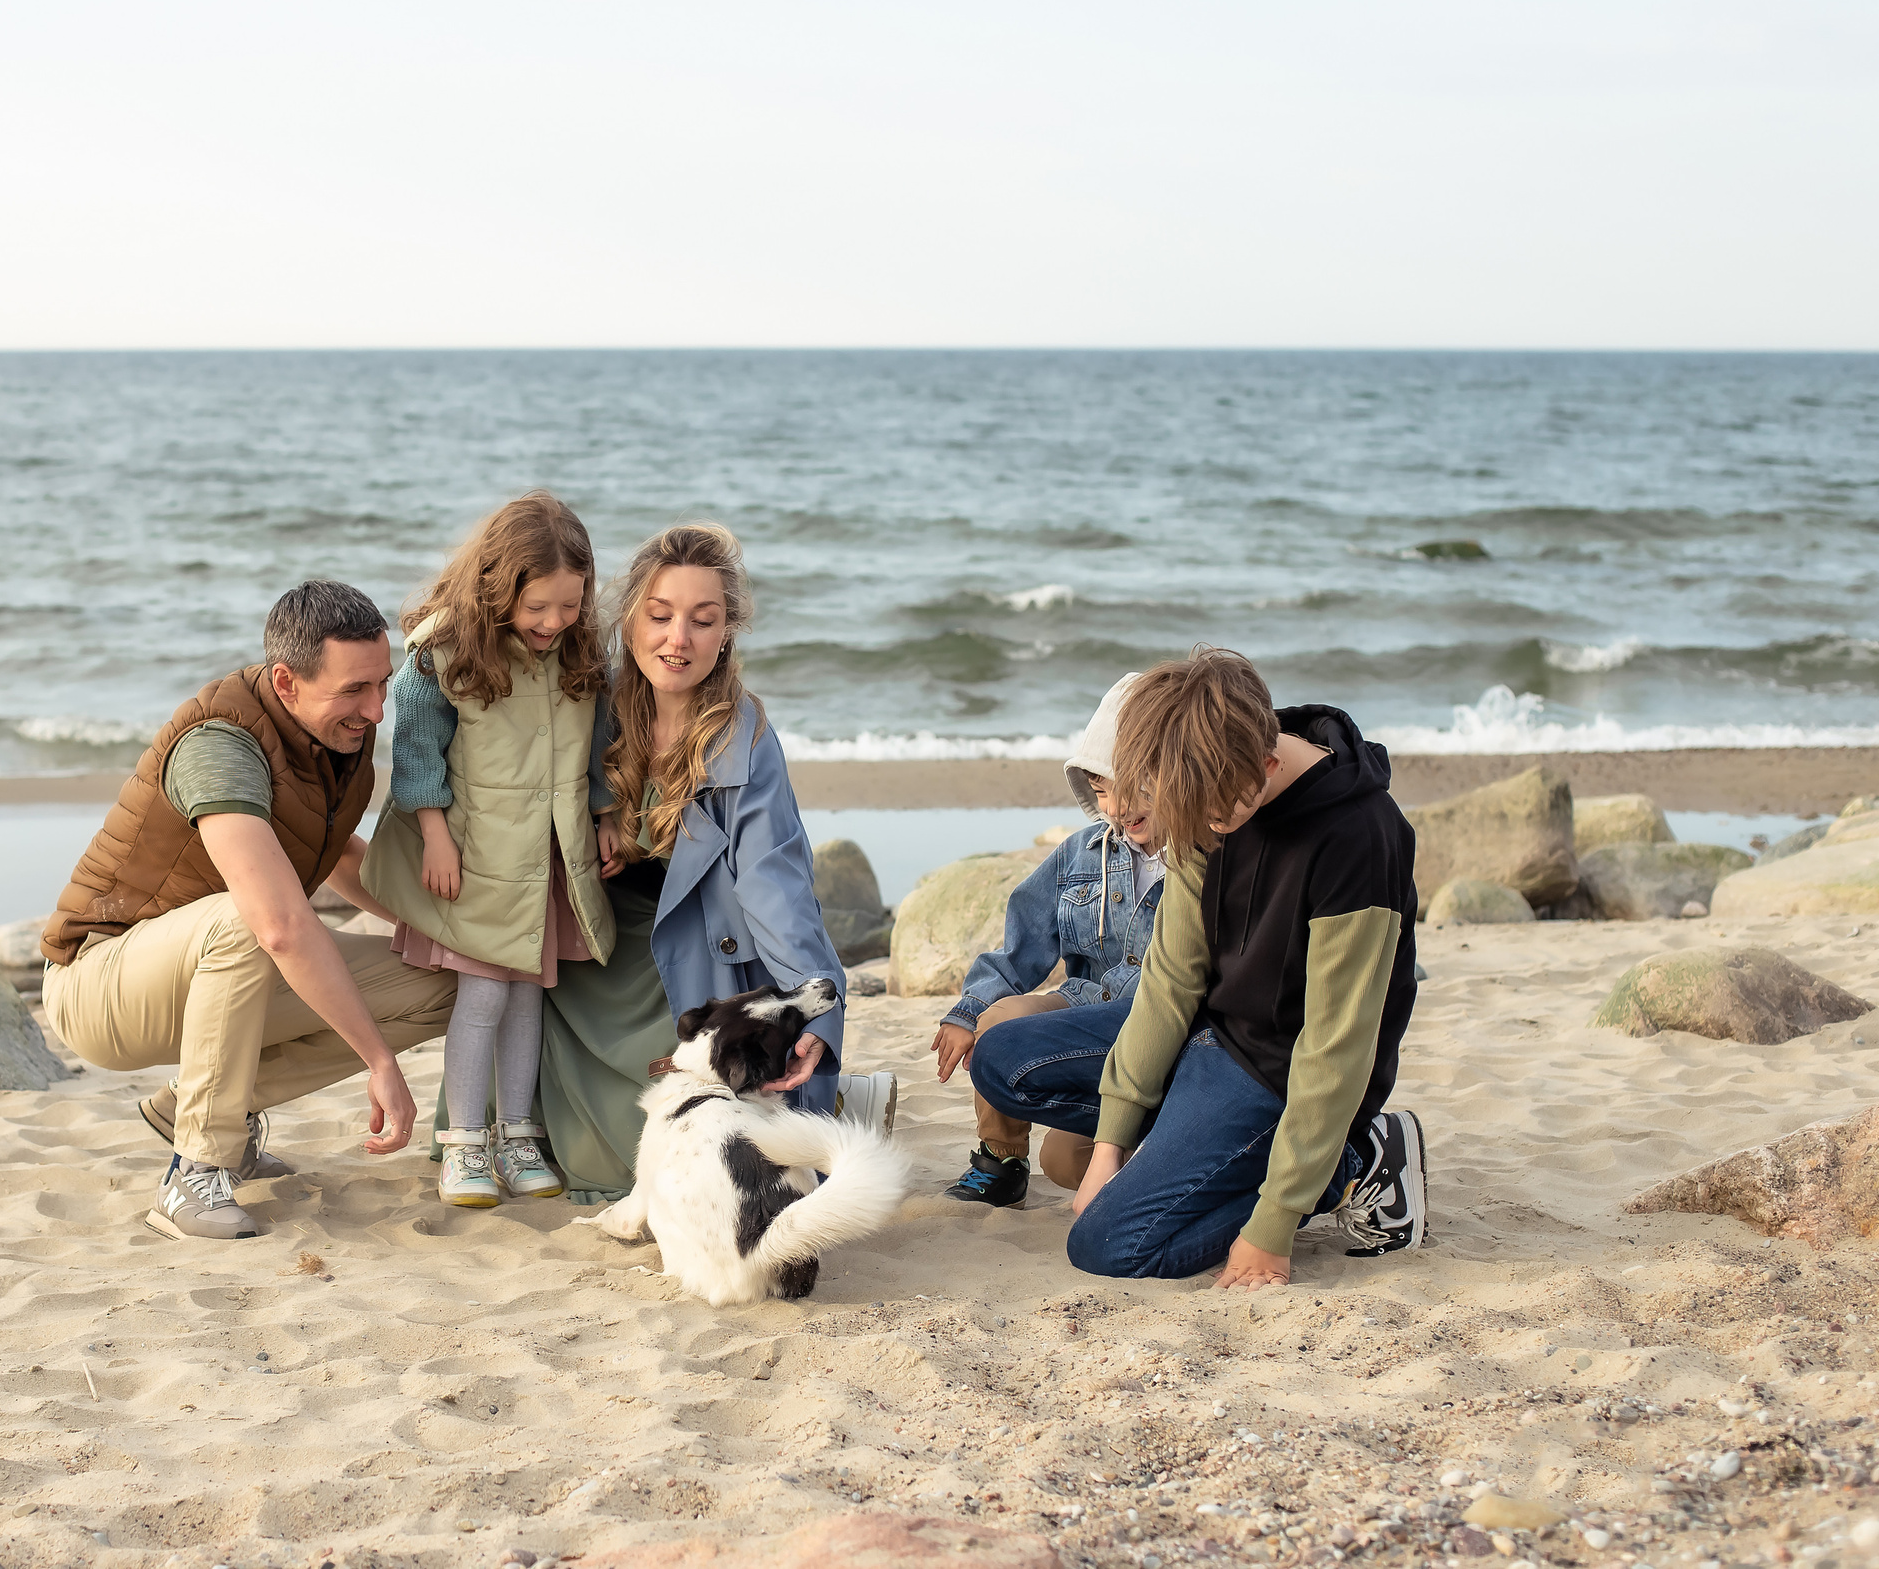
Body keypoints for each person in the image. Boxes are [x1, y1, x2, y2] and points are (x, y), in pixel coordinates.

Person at [969, 645, 1426, 1286]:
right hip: (1204, 1032)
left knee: (1108, 1248)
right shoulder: (1203, 773)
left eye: (1213, 819)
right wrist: (1109, 1149)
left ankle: (1349, 1165)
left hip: (1274, 1069)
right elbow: (1172, 979)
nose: (1199, 832)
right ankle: (1197, 1150)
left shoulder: (1359, 837)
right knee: (1000, 1058)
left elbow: (1336, 1045)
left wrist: (1274, 1226)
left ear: (1266, 766)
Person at [39, 580, 457, 1241]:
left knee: (445, 977)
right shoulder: (219, 744)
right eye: (354, 690)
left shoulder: (334, 741)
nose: (377, 710)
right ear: (287, 682)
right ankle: (196, 1169)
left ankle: (200, 1106)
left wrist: (453, 930)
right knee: (247, 920)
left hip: (217, 968)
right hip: (100, 984)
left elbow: (339, 856)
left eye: (383, 683)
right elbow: (279, 925)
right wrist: (380, 1060)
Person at [534, 522, 892, 1204]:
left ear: (727, 631)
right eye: (661, 616)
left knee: (669, 1154)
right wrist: (599, 821)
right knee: (547, 989)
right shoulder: (599, 704)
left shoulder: (744, 736)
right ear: (631, 618)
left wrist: (817, 1015)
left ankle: (846, 1100)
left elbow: (776, 887)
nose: (679, 639)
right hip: (615, 936)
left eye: (703, 621)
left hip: (701, 949)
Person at [360, 492, 617, 1208]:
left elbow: (598, 744)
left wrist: (604, 815)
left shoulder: (581, 651)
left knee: (529, 993)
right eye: (537, 608)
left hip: (547, 860)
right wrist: (435, 835)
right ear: (499, 586)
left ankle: (518, 1133)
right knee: (482, 995)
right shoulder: (444, 653)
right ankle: (465, 1142)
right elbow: (416, 753)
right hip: (475, 857)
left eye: (568, 606)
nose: (552, 622)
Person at [933, 672, 1162, 1208]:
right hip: (1084, 1016)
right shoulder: (1082, 854)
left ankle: (1168, 1153)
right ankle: (1001, 1159)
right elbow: (1022, 943)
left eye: (1128, 784)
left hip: (1160, 1027)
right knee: (1062, 1163)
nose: (1114, 806)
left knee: (1068, 1163)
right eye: (1101, 789)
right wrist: (969, 1010)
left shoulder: (1208, 858)